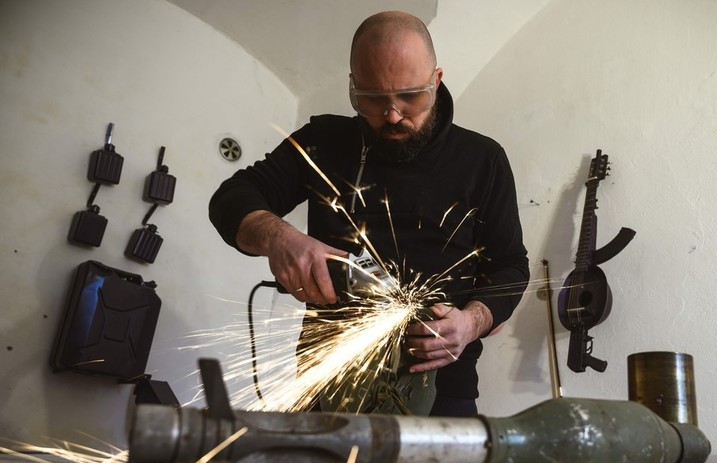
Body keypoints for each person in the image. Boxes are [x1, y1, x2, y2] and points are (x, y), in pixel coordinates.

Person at [209, 11, 529, 418]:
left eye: (410, 96)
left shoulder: (484, 159)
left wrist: (470, 323)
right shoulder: (323, 141)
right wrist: (279, 238)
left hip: (443, 392)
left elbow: (511, 268)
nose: (392, 116)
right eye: (373, 100)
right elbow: (230, 198)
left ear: (437, 79)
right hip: (326, 386)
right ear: (353, 86)